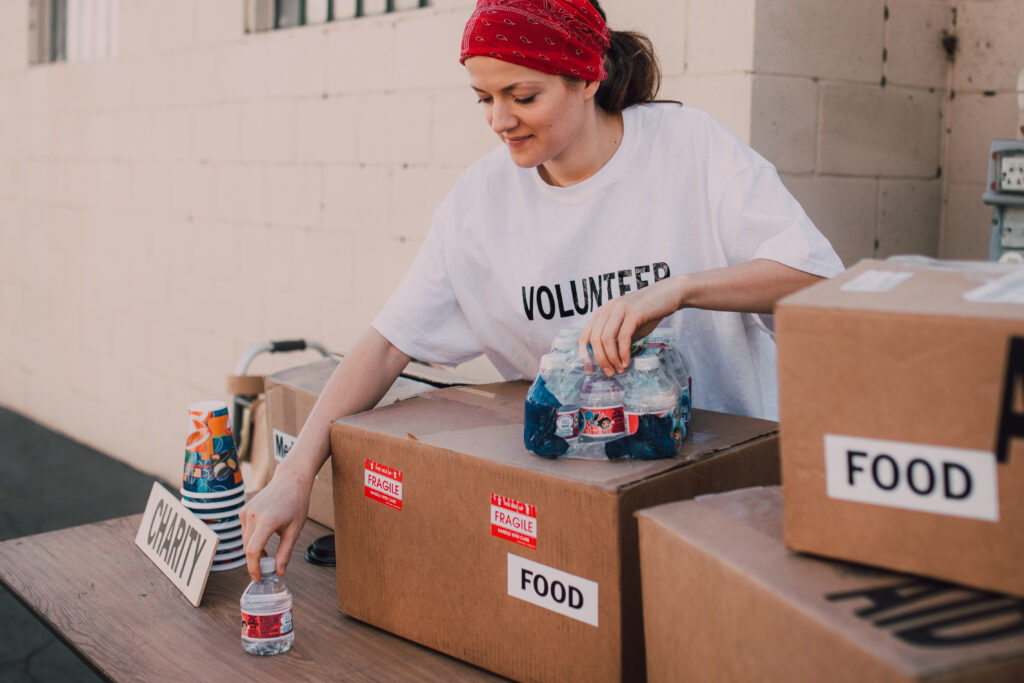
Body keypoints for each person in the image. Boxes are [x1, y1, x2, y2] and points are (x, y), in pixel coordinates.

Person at [240, 0, 844, 581]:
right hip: (588, 508)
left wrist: (676, 290)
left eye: (522, 96)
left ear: (588, 78)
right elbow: (386, 344)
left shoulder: (687, 147)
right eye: (484, 98)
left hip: (731, 497)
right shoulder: (479, 205)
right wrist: (294, 474)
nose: (500, 120)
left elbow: (814, 276)